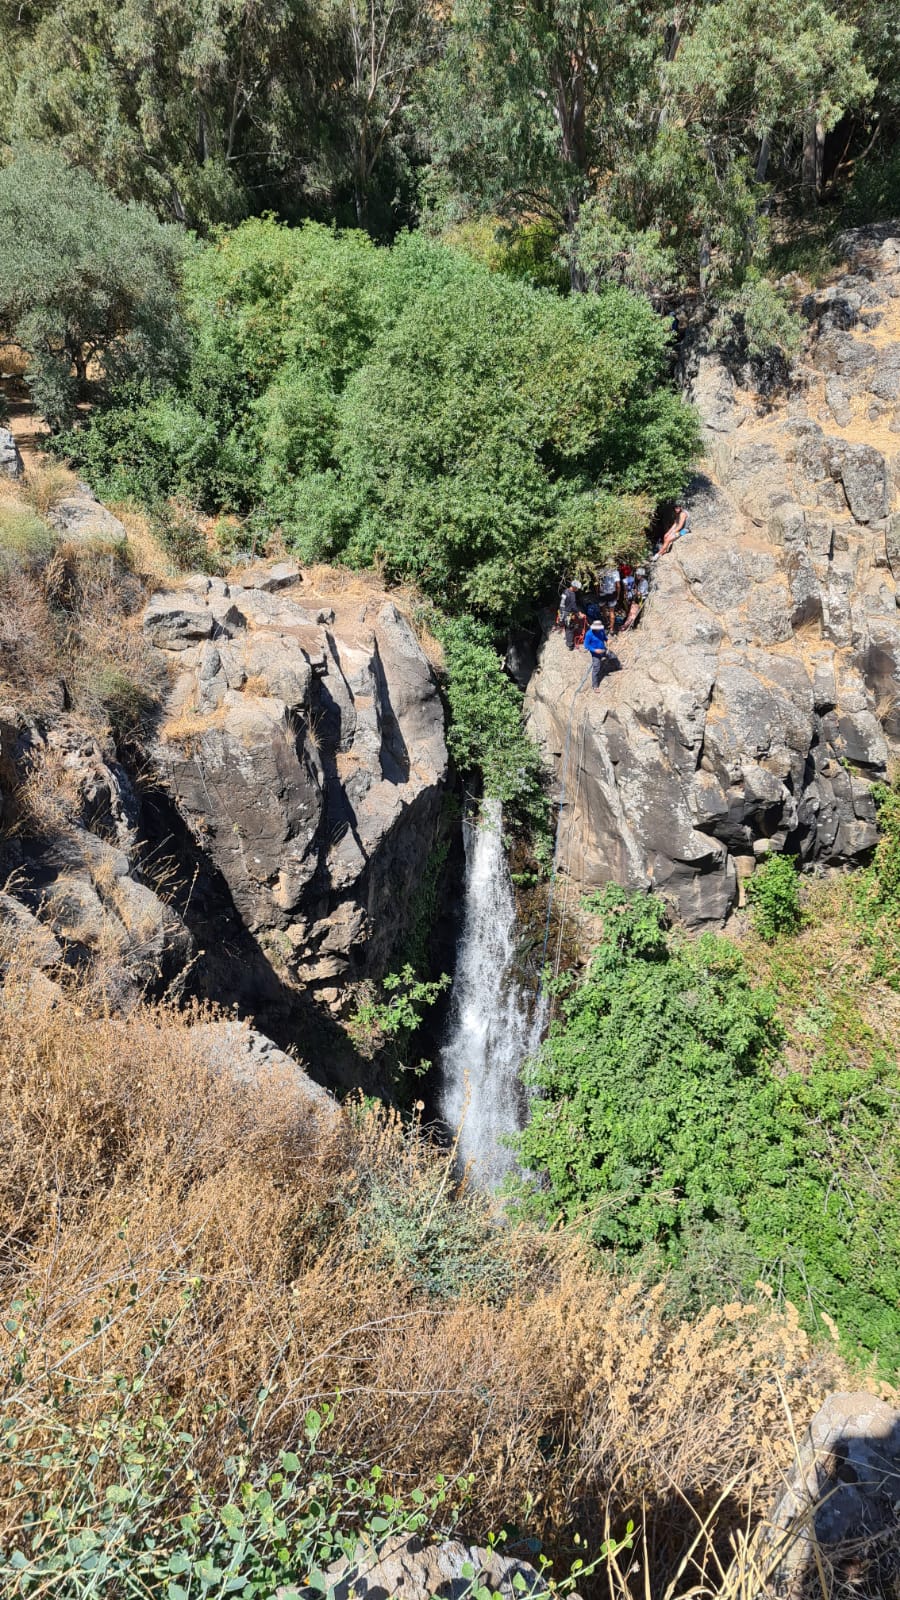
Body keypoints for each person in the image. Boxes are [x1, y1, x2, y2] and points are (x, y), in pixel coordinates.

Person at [582, 617, 610, 691]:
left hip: (603, 649)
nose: (598, 630)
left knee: (610, 656)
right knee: (596, 668)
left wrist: (607, 640)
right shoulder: (589, 634)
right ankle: (595, 686)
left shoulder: (601, 630)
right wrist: (595, 650)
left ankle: (606, 668)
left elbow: (604, 637)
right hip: (595, 653)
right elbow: (586, 645)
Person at [620, 566, 648, 631]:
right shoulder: (641, 581)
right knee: (631, 612)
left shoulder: (644, 582)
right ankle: (629, 624)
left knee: (632, 613)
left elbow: (640, 593)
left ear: (641, 575)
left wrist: (635, 592)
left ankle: (626, 625)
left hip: (640, 599)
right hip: (637, 598)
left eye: (638, 575)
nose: (637, 576)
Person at [558, 583, 581, 650]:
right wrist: (578, 613)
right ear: (574, 587)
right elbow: (573, 606)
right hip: (568, 613)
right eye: (577, 588)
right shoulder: (572, 594)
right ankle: (570, 645)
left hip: (562, 612)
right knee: (570, 629)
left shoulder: (565, 591)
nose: (577, 590)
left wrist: (561, 612)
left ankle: (567, 638)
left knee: (565, 625)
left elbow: (562, 603)